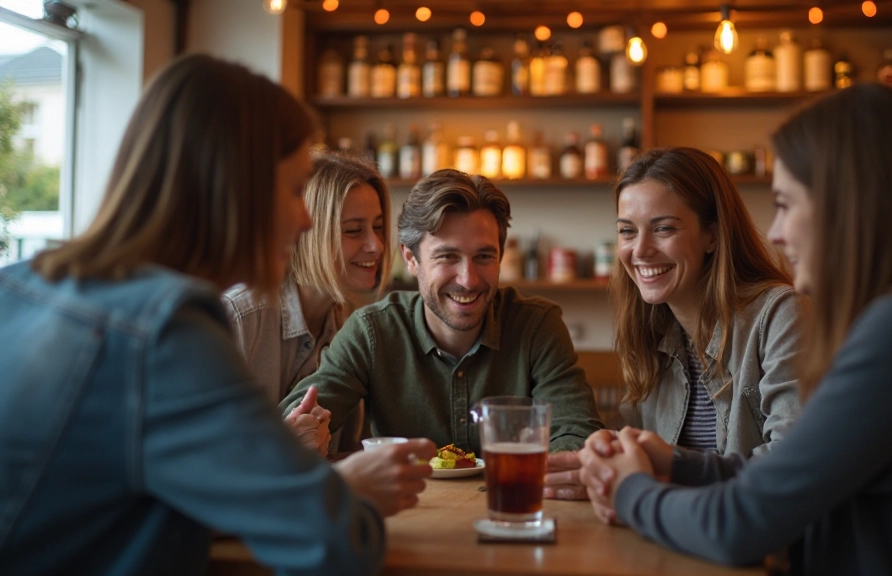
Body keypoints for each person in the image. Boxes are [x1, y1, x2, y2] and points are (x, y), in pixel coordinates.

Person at [0, 55, 434, 575]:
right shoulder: (170, 331)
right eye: (296, 190)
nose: (303, 221)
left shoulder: (20, 284)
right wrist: (345, 492)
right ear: (233, 186)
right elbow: (331, 543)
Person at [577, 84, 892, 574]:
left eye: (786, 204)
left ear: (849, 204)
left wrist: (631, 491)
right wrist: (672, 464)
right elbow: (786, 477)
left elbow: (742, 525)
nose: (775, 232)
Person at [545, 147, 803, 506]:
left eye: (663, 228)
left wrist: (670, 466)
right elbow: (633, 454)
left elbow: (794, 467)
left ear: (712, 235)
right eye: (627, 231)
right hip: (676, 539)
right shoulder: (651, 332)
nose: (641, 250)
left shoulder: (780, 315)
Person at [280, 169, 604, 455]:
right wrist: (300, 434)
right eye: (447, 257)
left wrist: (567, 459)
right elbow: (295, 419)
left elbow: (576, 431)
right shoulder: (373, 331)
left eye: (484, 257)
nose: (469, 279)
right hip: (410, 515)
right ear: (410, 258)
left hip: (512, 511)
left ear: (501, 256)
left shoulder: (537, 325)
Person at [223, 152, 391, 454]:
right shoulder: (239, 317)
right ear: (305, 230)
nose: (376, 245)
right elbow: (191, 452)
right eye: (354, 230)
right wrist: (276, 449)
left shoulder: (351, 326)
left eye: (378, 227)